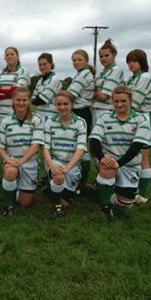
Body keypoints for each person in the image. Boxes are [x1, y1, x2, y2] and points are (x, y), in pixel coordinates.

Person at [90, 86, 151, 223]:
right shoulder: (105, 118)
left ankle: (103, 187)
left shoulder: (141, 120)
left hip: (129, 165)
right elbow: (94, 139)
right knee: (107, 168)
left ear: (130, 101)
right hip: (110, 162)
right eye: (116, 101)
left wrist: (120, 163)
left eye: (123, 101)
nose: (119, 104)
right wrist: (102, 158)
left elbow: (137, 146)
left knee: (125, 205)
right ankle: (105, 207)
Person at [0, 87, 44, 215]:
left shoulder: (37, 120)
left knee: (25, 203)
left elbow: (36, 146)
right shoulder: (6, 121)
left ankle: (14, 189)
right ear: (13, 100)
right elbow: (0, 148)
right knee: (11, 171)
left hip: (30, 163)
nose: (21, 103)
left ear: (29, 101)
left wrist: (21, 161)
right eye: (18, 100)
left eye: (24, 100)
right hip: (12, 161)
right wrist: (9, 161)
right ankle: (8, 206)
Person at [43, 91, 87, 217]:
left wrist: (68, 168)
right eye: (59, 104)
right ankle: (57, 207)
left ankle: (50, 187)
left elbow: (81, 149)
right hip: (55, 161)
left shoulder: (80, 122)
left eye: (65, 104)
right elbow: (45, 148)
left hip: (71, 165)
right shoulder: (50, 122)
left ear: (72, 104)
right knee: (58, 177)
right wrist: (51, 164)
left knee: (66, 202)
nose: (62, 107)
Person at [126, 49, 151, 204]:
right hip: (134, 118)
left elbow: (134, 101)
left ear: (142, 62)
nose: (130, 64)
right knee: (135, 155)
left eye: (134, 61)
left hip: (144, 118)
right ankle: (133, 187)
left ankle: (143, 195)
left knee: (144, 157)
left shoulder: (145, 77)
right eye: (129, 61)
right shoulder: (131, 78)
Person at [67, 49, 95, 193]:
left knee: (82, 149)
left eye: (79, 59)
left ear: (86, 61)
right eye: (74, 60)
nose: (76, 62)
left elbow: (70, 95)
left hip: (81, 112)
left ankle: (82, 182)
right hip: (80, 111)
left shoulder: (83, 74)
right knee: (78, 148)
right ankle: (77, 180)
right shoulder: (80, 73)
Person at [0, 47, 30, 124]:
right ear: (5, 58)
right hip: (0, 115)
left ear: (17, 56)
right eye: (7, 55)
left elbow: (17, 90)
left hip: (16, 115)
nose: (9, 56)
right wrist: (6, 91)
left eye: (12, 54)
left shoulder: (23, 71)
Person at [92, 39, 124, 126]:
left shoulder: (116, 70)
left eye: (107, 55)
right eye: (101, 56)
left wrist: (88, 91)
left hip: (108, 111)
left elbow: (103, 96)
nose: (103, 58)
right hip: (96, 110)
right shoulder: (100, 73)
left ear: (114, 55)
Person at [32, 53, 62, 121]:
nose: (42, 67)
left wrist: (36, 99)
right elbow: (33, 99)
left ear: (51, 64)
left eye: (45, 64)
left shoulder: (54, 80)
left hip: (50, 116)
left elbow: (41, 100)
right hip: (38, 115)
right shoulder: (40, 80)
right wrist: (35, 99)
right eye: (40, 65)